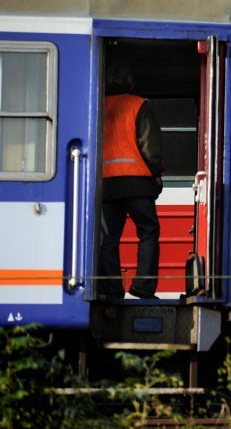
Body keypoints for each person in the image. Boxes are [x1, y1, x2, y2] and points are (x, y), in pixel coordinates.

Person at [98, 64, 163, 300]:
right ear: (131, 83)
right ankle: (143, 285)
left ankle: (111, 289)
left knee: (108, 238)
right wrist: (156, 172)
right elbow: (150, 144)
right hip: (138, 182)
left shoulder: (98, 104)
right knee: (148, 231)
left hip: (107, 185)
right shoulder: (138, 104)